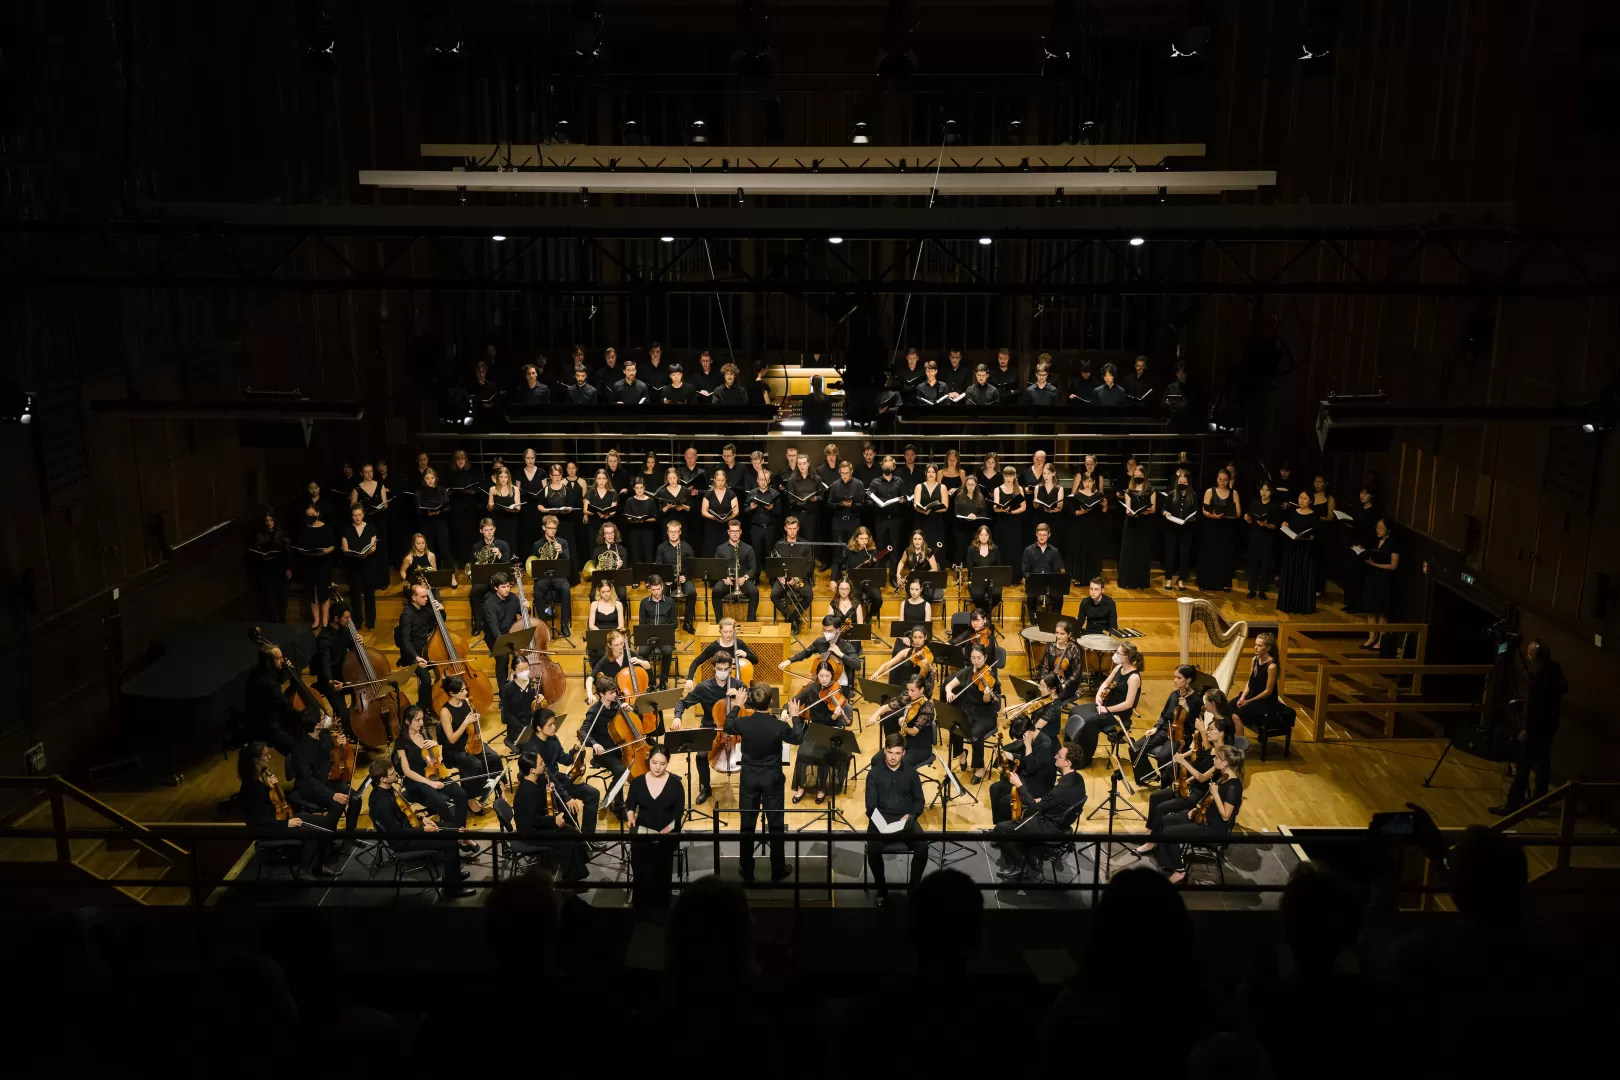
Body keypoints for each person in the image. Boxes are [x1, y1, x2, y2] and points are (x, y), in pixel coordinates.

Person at [727, 683, 808, 883]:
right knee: (775, 824)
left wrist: (737, 706)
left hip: (749, 778)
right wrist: (796, 716)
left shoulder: (743, 723)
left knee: (747, 824)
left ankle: (747, 870)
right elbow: (797, 738)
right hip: (772, 779)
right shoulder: (778, 726)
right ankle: (777, 870)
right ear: (771, 702)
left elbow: (728, 725)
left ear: (751, 702)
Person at [367, 756, 474, 899]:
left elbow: (406, 814)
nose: (396, 775)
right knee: (450, 843)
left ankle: (454, 875)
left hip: (410, 828)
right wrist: (423, 829)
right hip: (404, 840)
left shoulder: (388, 789)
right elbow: (397, 833)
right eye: (392, 774)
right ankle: (452, 890)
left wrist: (422, 819)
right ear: (383, 779)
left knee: (451, 828)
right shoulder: (382, 804)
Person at [1134, 711, 1235, 855]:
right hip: (1189, 787)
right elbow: (1197, 769)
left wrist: (1183, 763)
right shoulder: (1210, 749)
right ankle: (1150, 833)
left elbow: (1202, 778)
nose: (1208, 731)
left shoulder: (1222, 757)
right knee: (1155, 797)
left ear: (1221, 734)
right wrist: (1183, 781)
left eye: (1211, 729)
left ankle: (1152, 843)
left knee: (1162, 808)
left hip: (1199, 794)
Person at [1491, 639, 1568, 815]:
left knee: (1524, 765)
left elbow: (1539, 707)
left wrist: (1528, 729)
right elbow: (1556, 690)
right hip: (1549, 727)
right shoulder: (1553, 669)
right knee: (1542, 764)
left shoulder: (1543, 677)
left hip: (1537, 729)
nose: (1527, 656)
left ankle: (1512, 804)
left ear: (1538, 656)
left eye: (1530, 653)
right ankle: (1539, 802)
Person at [991, 742, 1087, 879]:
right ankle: (1030, 854)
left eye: (1059, 756)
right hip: (1060, 822)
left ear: (1067, 762)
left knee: (1001, 828)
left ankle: (1021, 867)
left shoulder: (1062, 788)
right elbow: (1059, 799)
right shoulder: (1078, 778)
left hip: (1050, 828)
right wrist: (1044, 799)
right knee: (1018, 814)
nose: (1055, 756)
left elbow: (1036, 807)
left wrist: (1019, 784)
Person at [1152, 746, 1245, 885]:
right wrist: (1196, 808)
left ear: (1225, 763)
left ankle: (1179, 870)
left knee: (1168, 833)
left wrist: (1215, 794)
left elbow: (1226, 816)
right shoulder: (1223, 776)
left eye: (1217, 758)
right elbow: (1208, 800)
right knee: (1165, 820)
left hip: (1214, 828)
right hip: (1204, 816)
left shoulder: (1234, 786)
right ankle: (1170, 862)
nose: (1214, 759)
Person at [238, 741, 330, 881]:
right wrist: (286, 824)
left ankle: (317, 865)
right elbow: (259, 819)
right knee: (313, 833)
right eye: (265, 755)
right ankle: (303, 870)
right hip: (267, 828)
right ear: (254, 760)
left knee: (324, 822)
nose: (269, 757)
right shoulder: (251, 787)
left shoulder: (260, 780)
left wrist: (270, 788)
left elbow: (274, 803)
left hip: (277, 819)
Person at [393, 705, 480, 850]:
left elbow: (434, 757)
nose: (422, 723)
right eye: (417, 720)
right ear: (408, 722)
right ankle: (460, 836)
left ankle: (458, 834)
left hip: (435, 773)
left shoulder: (425, 732)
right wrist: (430, 783)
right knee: (440, 803)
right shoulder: (401, 741)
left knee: (461, 794)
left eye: (422, 719)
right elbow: (406, 771)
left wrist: (435, 744)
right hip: (416, 781)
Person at [864, 734, 928, 905]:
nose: (893, 757)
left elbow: (919, 800)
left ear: (903, 753)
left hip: (905, 820)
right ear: (885, 750)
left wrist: (911, 816)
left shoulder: (911, 773)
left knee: (922, 846)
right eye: (890, 752)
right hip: (881, 820)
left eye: (897, 753)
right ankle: (882, 891)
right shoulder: (874, 773)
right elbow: (871, 805)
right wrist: (881, 824)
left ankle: (913, 891)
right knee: (873, 849)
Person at [672, 654, 744, 804]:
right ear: (713, 668)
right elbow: (682, 703)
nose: (723, 672)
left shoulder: (737, 684)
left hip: (735, 728)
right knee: (701, 755)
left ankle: (747, 787)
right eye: (719, 669)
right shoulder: (704, 687)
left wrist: (739, 697)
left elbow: (754, 700)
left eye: (726, 669)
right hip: (711, 727)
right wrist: (677, 717)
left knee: (750, 753)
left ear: (731, 668)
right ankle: (706, 788)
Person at [512, 751, 590, 883]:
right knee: (566, 843)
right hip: (530, 833)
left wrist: (547, 792)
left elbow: (540, 805)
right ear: (532, 770)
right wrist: (554, 820)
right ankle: (570, 882)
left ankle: (581, 868)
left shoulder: (538, 780)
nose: (544, 765)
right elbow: (532, 821)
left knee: (573, 832)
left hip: (540, 824)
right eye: (541, 763)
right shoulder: (526, 792)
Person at [625, 744, 685, 908]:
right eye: (654, 762)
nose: (657, 767)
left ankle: (661, 904)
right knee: (641, 858)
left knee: (661, 863)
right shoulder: (637, 782)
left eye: (662, 764)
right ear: (648, 761)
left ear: (667, 763)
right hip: (643, 833)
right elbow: (630, 804)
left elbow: (678, 814)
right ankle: (641, 903)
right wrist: (630, 815)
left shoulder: (675, 784)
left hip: (666, 834)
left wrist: (666, 832)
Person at [787, 662, 855, 803]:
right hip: (814, 728)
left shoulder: (839, 690)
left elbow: (833, 722)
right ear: (817, 675)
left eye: (827, 676)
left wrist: (835, 716)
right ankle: (801, 787)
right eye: (821, 675)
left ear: (832, 675)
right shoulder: (812, 688)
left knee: (824, 754)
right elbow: (795, 700)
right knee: (801, 752)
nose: (824, 679)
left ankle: (821, 789)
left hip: (830, 730)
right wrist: (784, 710)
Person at [1066, 642, 1143, 765]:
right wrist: (1098, 697)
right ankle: (1068, 752)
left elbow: (1129, 704)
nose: (1115, 654)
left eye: (1118, 653)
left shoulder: (1134, 677)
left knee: (1088, 721)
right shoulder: (1119, 668)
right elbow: (1105, 684)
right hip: (1105, 706)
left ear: (1126, 657)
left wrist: (1108, 710)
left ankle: (1082, 760)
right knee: (1075, 711)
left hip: (1118, 714)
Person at [436, 676, 500, 813]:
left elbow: (473, 725)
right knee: (475, 765)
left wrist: (476, 721)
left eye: (465, 688)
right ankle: (470, 799)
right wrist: (465, 722)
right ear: (452, 693)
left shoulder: (466, 701)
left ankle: (495, 787)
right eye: (462, 690)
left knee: (494, 757)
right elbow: (451, 739)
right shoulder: (445, 712)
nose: (466, 692)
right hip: (454, 750)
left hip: (472, 742)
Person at [943, 641, 1002, 782]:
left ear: (985, 657)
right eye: (973, 658)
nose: (976, 661)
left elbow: (987, 701)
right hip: (969, 710)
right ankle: (961, 752)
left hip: (985, 713)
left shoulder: (991, 676)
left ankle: (979, 767)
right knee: (955, 725)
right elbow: (950, 684)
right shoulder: (968, 671)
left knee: (975, 734)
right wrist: (948, 692)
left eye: (979, 658)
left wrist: (987, 694)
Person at [1136, 664, 1201, 786]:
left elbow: (1194, 726)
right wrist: (1156, 727)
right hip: (1165, 729)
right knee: (1135, 747)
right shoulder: (1174, 695)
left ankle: (1165, 785)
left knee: (1163, 757)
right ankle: (1149, 776)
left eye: (1178, 678)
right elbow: (1164, 714)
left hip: (1180, 735)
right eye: (1174, 677)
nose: (1174, 680)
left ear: (1189, 680)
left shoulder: (1196, 700)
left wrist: (1187, 709)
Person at [989, 721, 1058, 825]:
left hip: (1040, 783)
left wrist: (1028, 746)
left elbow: (1029, 767)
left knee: (1006, 801)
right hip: (1028, 776)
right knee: (994, 788)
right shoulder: (1031, 737)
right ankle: (998, 827)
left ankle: (1007, 829)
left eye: (1020, 738)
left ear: (1027, 732)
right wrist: (1007, 754)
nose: (1020, 741)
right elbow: (1025, 760)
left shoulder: (1046, 745)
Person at [779, 614, 861, 692]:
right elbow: (806, 653)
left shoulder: (846, 646)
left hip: (839, 684)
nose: (826, 633)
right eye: (824, 630)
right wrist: (789, 661)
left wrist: (841, 654)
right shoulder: (820, 642)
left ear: (838, 630)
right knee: (802, 697)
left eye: (830, 631)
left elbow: (857, 665)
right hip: (819, 682)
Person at [394, 582, 440, 708]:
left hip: (426, 651)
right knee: (426, 680)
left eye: (426, 596)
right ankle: (422, 708)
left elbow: (439, 621)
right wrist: (415, 657)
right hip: (412, 654)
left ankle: (434, 702)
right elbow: (405, 640)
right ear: (414, 598)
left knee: (442, 667)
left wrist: (441, 610)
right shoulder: (407, 615)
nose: (427, 599)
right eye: (423, 597)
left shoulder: (425, 609)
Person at [1359, 517, 1400, 648]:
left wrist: (1374, 564)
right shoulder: (1375, 541)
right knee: (1369, 609)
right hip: (1371, 578)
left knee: (1381, 611)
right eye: (1377, 527)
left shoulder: (1392, 544)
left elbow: (1393, 566)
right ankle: (1372, 637)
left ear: (1389, 530)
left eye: (1381, 527)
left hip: (1384, 580)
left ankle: (1382, 640)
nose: (1378, 530)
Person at [294, 502, 336, 630]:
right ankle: (316, 620)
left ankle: (324, 620)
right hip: (309, 564)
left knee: (324, 592)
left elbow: (332, 545)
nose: (311, 516)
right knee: (313, 593)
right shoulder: (305, 529)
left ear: (318, 513)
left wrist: (324, 551)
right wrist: (304, 552)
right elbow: (299, 547)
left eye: (313, 514)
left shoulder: (326, 528)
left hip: (323, 564)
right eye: (308, 514)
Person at [338, 503, 380, 630]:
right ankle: (357, 621)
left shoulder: (371, 528)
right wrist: (354, 554)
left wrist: (365, 553)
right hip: (353, 564)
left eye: (359, 515)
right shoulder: (346, 529)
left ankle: (371, 621)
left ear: (363, 515)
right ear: (351, 516)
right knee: (355, 593)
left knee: (369, 593)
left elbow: (373, 547)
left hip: (368, 563)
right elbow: (345, 548)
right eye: (354, 515)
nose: (357, 518)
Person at [1033, 618, 1086, 718]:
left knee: (1050, 700)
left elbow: (1076, 673)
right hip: (1050, 682)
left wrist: (1064, 685)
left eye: (1062, 634)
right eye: (1057, 633)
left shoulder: (1074, 649)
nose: (1058, 636)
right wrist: (1044, 681)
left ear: (1069, 635)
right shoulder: (1051, 646)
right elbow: (1044, 666)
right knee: (1036, 697)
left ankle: (1050, 723)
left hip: (1067, 685)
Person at [530, 514, 572, 636]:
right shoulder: (537, 544)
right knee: (537, 590)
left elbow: (568, 561)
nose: (552, 531)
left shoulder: (562, 543)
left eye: (555, 528)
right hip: (543, 577)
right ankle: (542, 624)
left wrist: (562, 552)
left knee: (566, 588)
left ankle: (564, 624)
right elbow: (533, 563)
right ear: (544, 528)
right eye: (550, 528)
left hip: (559, 576)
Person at [768, 517, 814, 631]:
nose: (792, 531)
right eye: (789, 528)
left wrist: (798, 578)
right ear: (785, 528)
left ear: (798, 528)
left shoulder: (805, 544)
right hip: (783, 578)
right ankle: (792, 617)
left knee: (809, 595)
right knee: (774, 595)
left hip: (799, 578)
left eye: (794, 528)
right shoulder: (779, 544)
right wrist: (779, 576)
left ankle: (795, 617)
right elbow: (774, 563)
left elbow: (809, 564)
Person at [1276, 491, 1318, 613]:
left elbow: (1319, 535)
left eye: (1305, 498)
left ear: (1310, 500)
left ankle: (1302, 606)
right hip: (1292, 549)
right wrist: (1284, 525)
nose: (1301, 501)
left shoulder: (1314, 515)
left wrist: (1309, 537)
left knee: (1303, 576)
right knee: (1290, 575)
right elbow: (1286, 527)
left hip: (1305, 551)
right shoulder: (1292, 512)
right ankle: (1288, 604)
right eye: (1300, 498)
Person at [500, 654, 556, 746]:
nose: (525, 672)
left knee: (552, 740)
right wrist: (522, 729)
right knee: (534, 745)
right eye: (521, 670)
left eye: (527, 668)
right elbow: (506, 714)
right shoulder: (508, 688)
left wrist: (542, 701)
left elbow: (540, 711)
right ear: (514, 671)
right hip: (517, 729)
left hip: (533, 725)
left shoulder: (535, 684)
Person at [713, 518, 759, 620]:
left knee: (754, 592)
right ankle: (719, 622)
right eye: (732, 531)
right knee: (716, 591)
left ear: (741, 532)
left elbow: (753, 566)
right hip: (726, 579)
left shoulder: (748, 548)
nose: (735, 534)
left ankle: (750, 621)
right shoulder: (721, 548)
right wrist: (723, 578)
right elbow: (716, 567)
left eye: (737, 531)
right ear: (728, 532)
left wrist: (745, 577)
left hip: (742, 579)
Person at [637, 575, 678, 688]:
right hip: (648, 636)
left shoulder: (670, 602)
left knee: (668, 651)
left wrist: (665, 630)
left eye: (658, 589)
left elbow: (674, 623)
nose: (656, 592)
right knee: (642, 653)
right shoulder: (644, 603)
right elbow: (642, 622)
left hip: (664, 636)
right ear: (650, 588)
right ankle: (650, 680)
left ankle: (663, 680)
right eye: (653, 589)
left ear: (662, 586)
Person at [867, 454, 908, 566]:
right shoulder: (875, 482)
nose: (887, 469)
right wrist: (876, 503)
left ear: (894, 468)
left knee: (894, 548)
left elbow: (906, 499)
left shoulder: (899, 481)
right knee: (880, 548)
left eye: (890, 467)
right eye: (885, 467)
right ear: (882, 467)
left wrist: (903, 500)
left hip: (895, 520)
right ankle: (880, 573)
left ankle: (893, 575)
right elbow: (868, 501)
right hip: (880, 520)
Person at [1160, 468, 1198, 591]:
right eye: (1180, 482)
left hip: (1186, 530)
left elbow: (1196, 513)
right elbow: (1163, 508)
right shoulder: (1172, 494)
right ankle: (1169, 579)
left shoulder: (1193, 496)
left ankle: (1181, 580)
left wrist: (1190, 519)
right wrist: (1166, 513)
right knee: (1170, 554)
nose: (1182, 484)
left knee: (1184, 555)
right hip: (1171, 529)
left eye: (1184, 482)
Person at [1244, 480, 1282, 600]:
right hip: (1255, 535)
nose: (1264, 492)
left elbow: (1276, 525)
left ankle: (1262, 590)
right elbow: (1250, 519)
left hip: (1267, 537)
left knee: (1265, 563)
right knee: (1253, 562)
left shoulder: (1274, 506)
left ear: (1271, 492)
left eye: (1267, 490)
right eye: (1262, 489)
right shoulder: (1255, 503)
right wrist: (1247, 519)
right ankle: (1252, 589)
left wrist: (1266, 525)